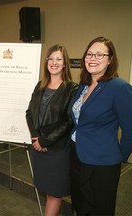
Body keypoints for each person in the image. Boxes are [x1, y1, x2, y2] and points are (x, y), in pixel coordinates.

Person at [70, 36, 132, 215]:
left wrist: (120, 157)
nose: (92, 58)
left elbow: (130, 128)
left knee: (99, 208)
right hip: (76, 155)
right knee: (80, 205)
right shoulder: (84, 84)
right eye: (89, 54)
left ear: (110, 59)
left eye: (99, 54)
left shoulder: (119, 88)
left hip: (102, 163)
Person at [26, 44, 78, 216]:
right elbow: (29, 113)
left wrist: (45, 140)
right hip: (38, 147)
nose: (54, 62)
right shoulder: (40, 85)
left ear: (65, 64)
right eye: (51, 58)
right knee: (47, 192)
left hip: (57, 150)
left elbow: (69, 121)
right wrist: (36, 138)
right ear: (46, 61)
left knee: (54, 194)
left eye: (59, 59)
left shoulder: (72, 88)